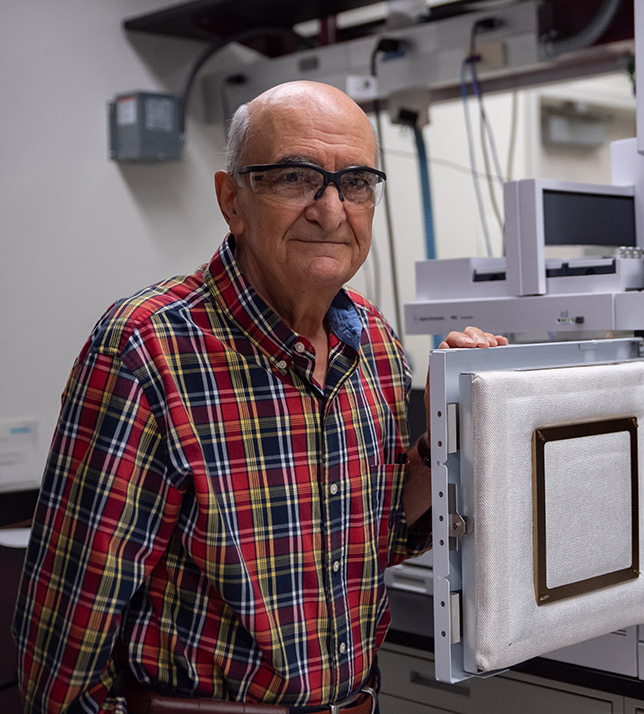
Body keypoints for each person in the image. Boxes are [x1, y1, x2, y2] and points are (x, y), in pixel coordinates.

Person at [12, 80, 507, 714]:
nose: (331, 210)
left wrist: (449, 437)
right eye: (297, 178)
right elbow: (62, 647)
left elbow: (378, 540)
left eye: (355, 182)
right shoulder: (147, 350)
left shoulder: (376, 347)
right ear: (232, 200)